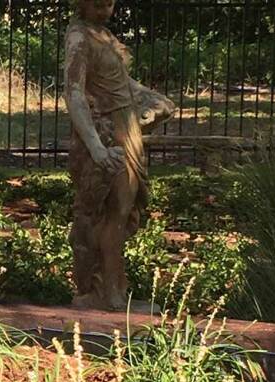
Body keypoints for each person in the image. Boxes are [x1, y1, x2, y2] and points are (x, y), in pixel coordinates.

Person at [64, 0, 175, 311]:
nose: (106, 10)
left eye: (109, 3)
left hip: (126, 127)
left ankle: (114, 290)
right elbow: (73, 94)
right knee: (113, 212)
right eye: (98, 4)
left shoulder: (103, 36)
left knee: (122, 213)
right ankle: (106, 293)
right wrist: (96, 148)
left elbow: (124, 85)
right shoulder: (79, 38)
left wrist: (154, 100)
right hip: (109, 133)